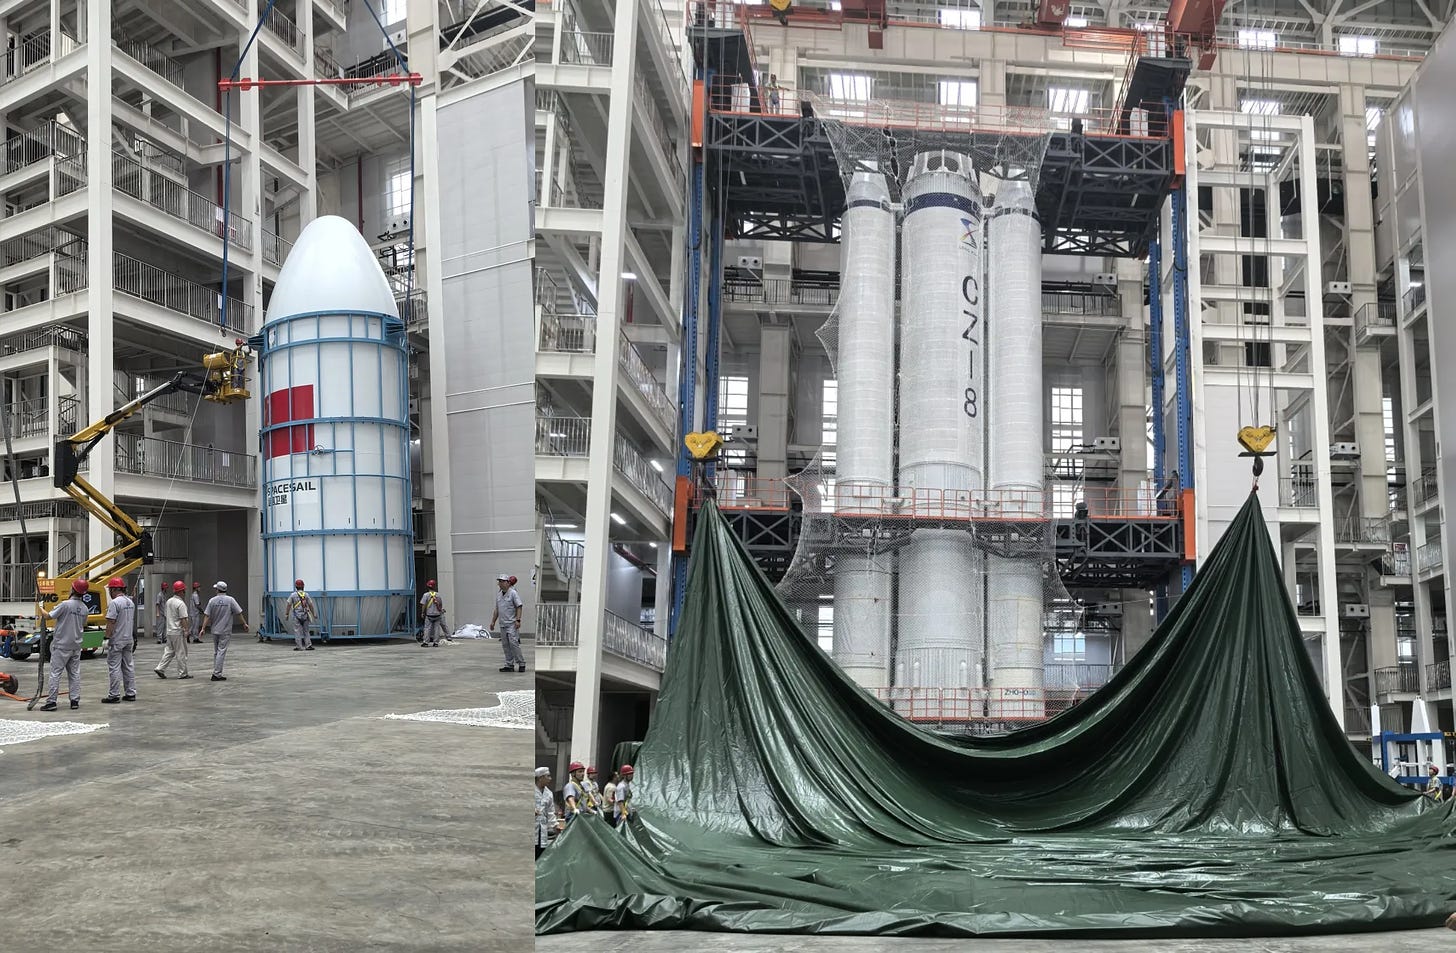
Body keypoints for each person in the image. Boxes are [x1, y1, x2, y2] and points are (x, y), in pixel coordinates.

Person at [40, 578, 90, 711]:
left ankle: (51, 702)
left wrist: (40, 608)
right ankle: (74, 701)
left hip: (61, 645)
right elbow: (83, 624)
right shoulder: (85, 608)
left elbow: (48, 616)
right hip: (76, 646)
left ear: (73, 590)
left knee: (55, 673)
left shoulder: (65, 605)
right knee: (74, 674)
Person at [101, 577, 137, 704]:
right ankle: (131, 693)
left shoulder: (115, 603)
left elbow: (111, 622)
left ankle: (114, 695)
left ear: (114, 589)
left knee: (114, 667)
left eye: (110, 590)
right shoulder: (130, 602)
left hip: (117, 639)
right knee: (128, 666)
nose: (110, 592)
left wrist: (106, 637)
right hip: (128, 639)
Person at [204, 581, 246, 681]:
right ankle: (216, 674)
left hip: (214, 630)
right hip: (225, 630)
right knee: (221, 652)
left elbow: (207, 615)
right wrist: (244, 623)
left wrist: (203, 628)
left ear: (218, 589)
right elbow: (239, 613)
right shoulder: (230, 600)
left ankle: (216, 671)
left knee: (216, 652)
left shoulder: (212, 601)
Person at [154, 580, 191, 679]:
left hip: (169, 631)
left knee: (169, 651)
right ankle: (183, 673)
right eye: (184, 591)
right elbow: (183, 619)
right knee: (181, 652)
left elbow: (166, 615)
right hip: (178, 631)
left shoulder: (169, 601)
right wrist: (186, 630)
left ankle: (160, 668)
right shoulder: (181, 603)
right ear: (181, 591)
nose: (185, 593)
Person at [492, 574, 526, 673]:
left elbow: (519, 606)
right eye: (499, 581)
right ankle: (509, 664)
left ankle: (521, 663)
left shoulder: (513, 593)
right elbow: (497, 610)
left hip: (511, 624)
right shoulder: (499, 595)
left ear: (507, 583)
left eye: (502, 581)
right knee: (505, 645)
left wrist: (518, 620)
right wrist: (493, 621)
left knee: (514, 643)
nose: (500, 583)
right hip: (502, 624)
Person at [535, 766, 562, 859]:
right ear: (540, 778)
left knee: (540, 853)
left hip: (542, 828)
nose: (550, 779)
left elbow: (550, 811)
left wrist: (555, 825)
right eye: (548, 776)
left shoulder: (549, 793)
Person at [284, 579, 316, 651]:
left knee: (297, 631)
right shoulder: (306, 595)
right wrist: (314, 614)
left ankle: (299, 646)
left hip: (296, 616)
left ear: (296, 586)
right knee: (306, 631)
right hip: (305, 615)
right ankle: (308, 645)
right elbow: (310, 605)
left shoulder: (293, 595)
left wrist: (286, 614)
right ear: (303, 586)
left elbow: (288, 605)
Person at [420, 579, 446, 647]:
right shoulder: (438, 595)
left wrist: (422, 613)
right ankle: (436, 643)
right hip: (437, 615)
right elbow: (440, 605)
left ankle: (426, 642)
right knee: (436, 629)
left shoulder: (426, 595)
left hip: (429, 615)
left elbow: (423, 605)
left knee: (427, 628)